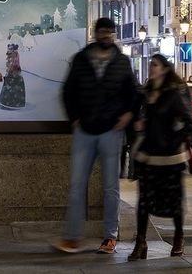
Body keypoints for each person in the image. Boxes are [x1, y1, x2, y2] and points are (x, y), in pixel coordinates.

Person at [54, 17, 139, 254]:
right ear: (95, 33)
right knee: (77, 185)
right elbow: (68, 90)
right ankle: (72, 237)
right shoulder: (81, 59)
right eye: (103, 32)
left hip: (111, 131)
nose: (106, 36)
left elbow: (133, 92)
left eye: (110, 33)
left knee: (111, 187)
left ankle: (110, 237)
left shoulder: (122, 62)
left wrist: (128, 114)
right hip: (85, 130)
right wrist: (75, 118)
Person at [128, 54, 192, 261]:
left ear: (164, 69)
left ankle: (178, 236)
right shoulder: (146, 93)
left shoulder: (173, 94)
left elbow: (188, 122)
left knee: (174, 201)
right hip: (148, 156)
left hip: (170, 158)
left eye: (155, 65)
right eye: (151, 65)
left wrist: (173, 141)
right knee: (144, 201)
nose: (151, 68)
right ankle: (140, 242)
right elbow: (135, 114)